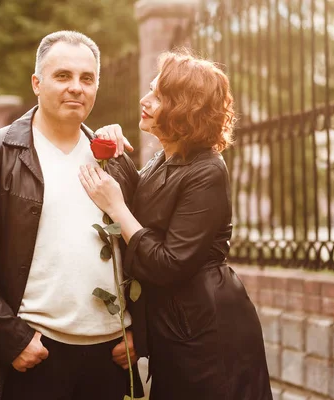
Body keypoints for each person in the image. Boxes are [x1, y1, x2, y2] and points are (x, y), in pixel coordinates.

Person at [0, 30, 144, 400]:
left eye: (87, 78)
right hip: (32, 355)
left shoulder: (116, 162)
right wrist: (10, 340)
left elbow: (147, 249)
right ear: (37, 83)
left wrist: (138, 333)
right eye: (62, 76)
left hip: (109, 360)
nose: (76, 88)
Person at [79, 50, 273, 399]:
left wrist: (116, 206)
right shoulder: (164, 159)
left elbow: (168, 262)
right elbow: (141, 211)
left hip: (208, 336)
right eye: (150, 90)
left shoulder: (207, 171)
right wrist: (116, 153)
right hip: (176, 329)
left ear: (186, 108)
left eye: (159, 96)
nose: (145, 99)